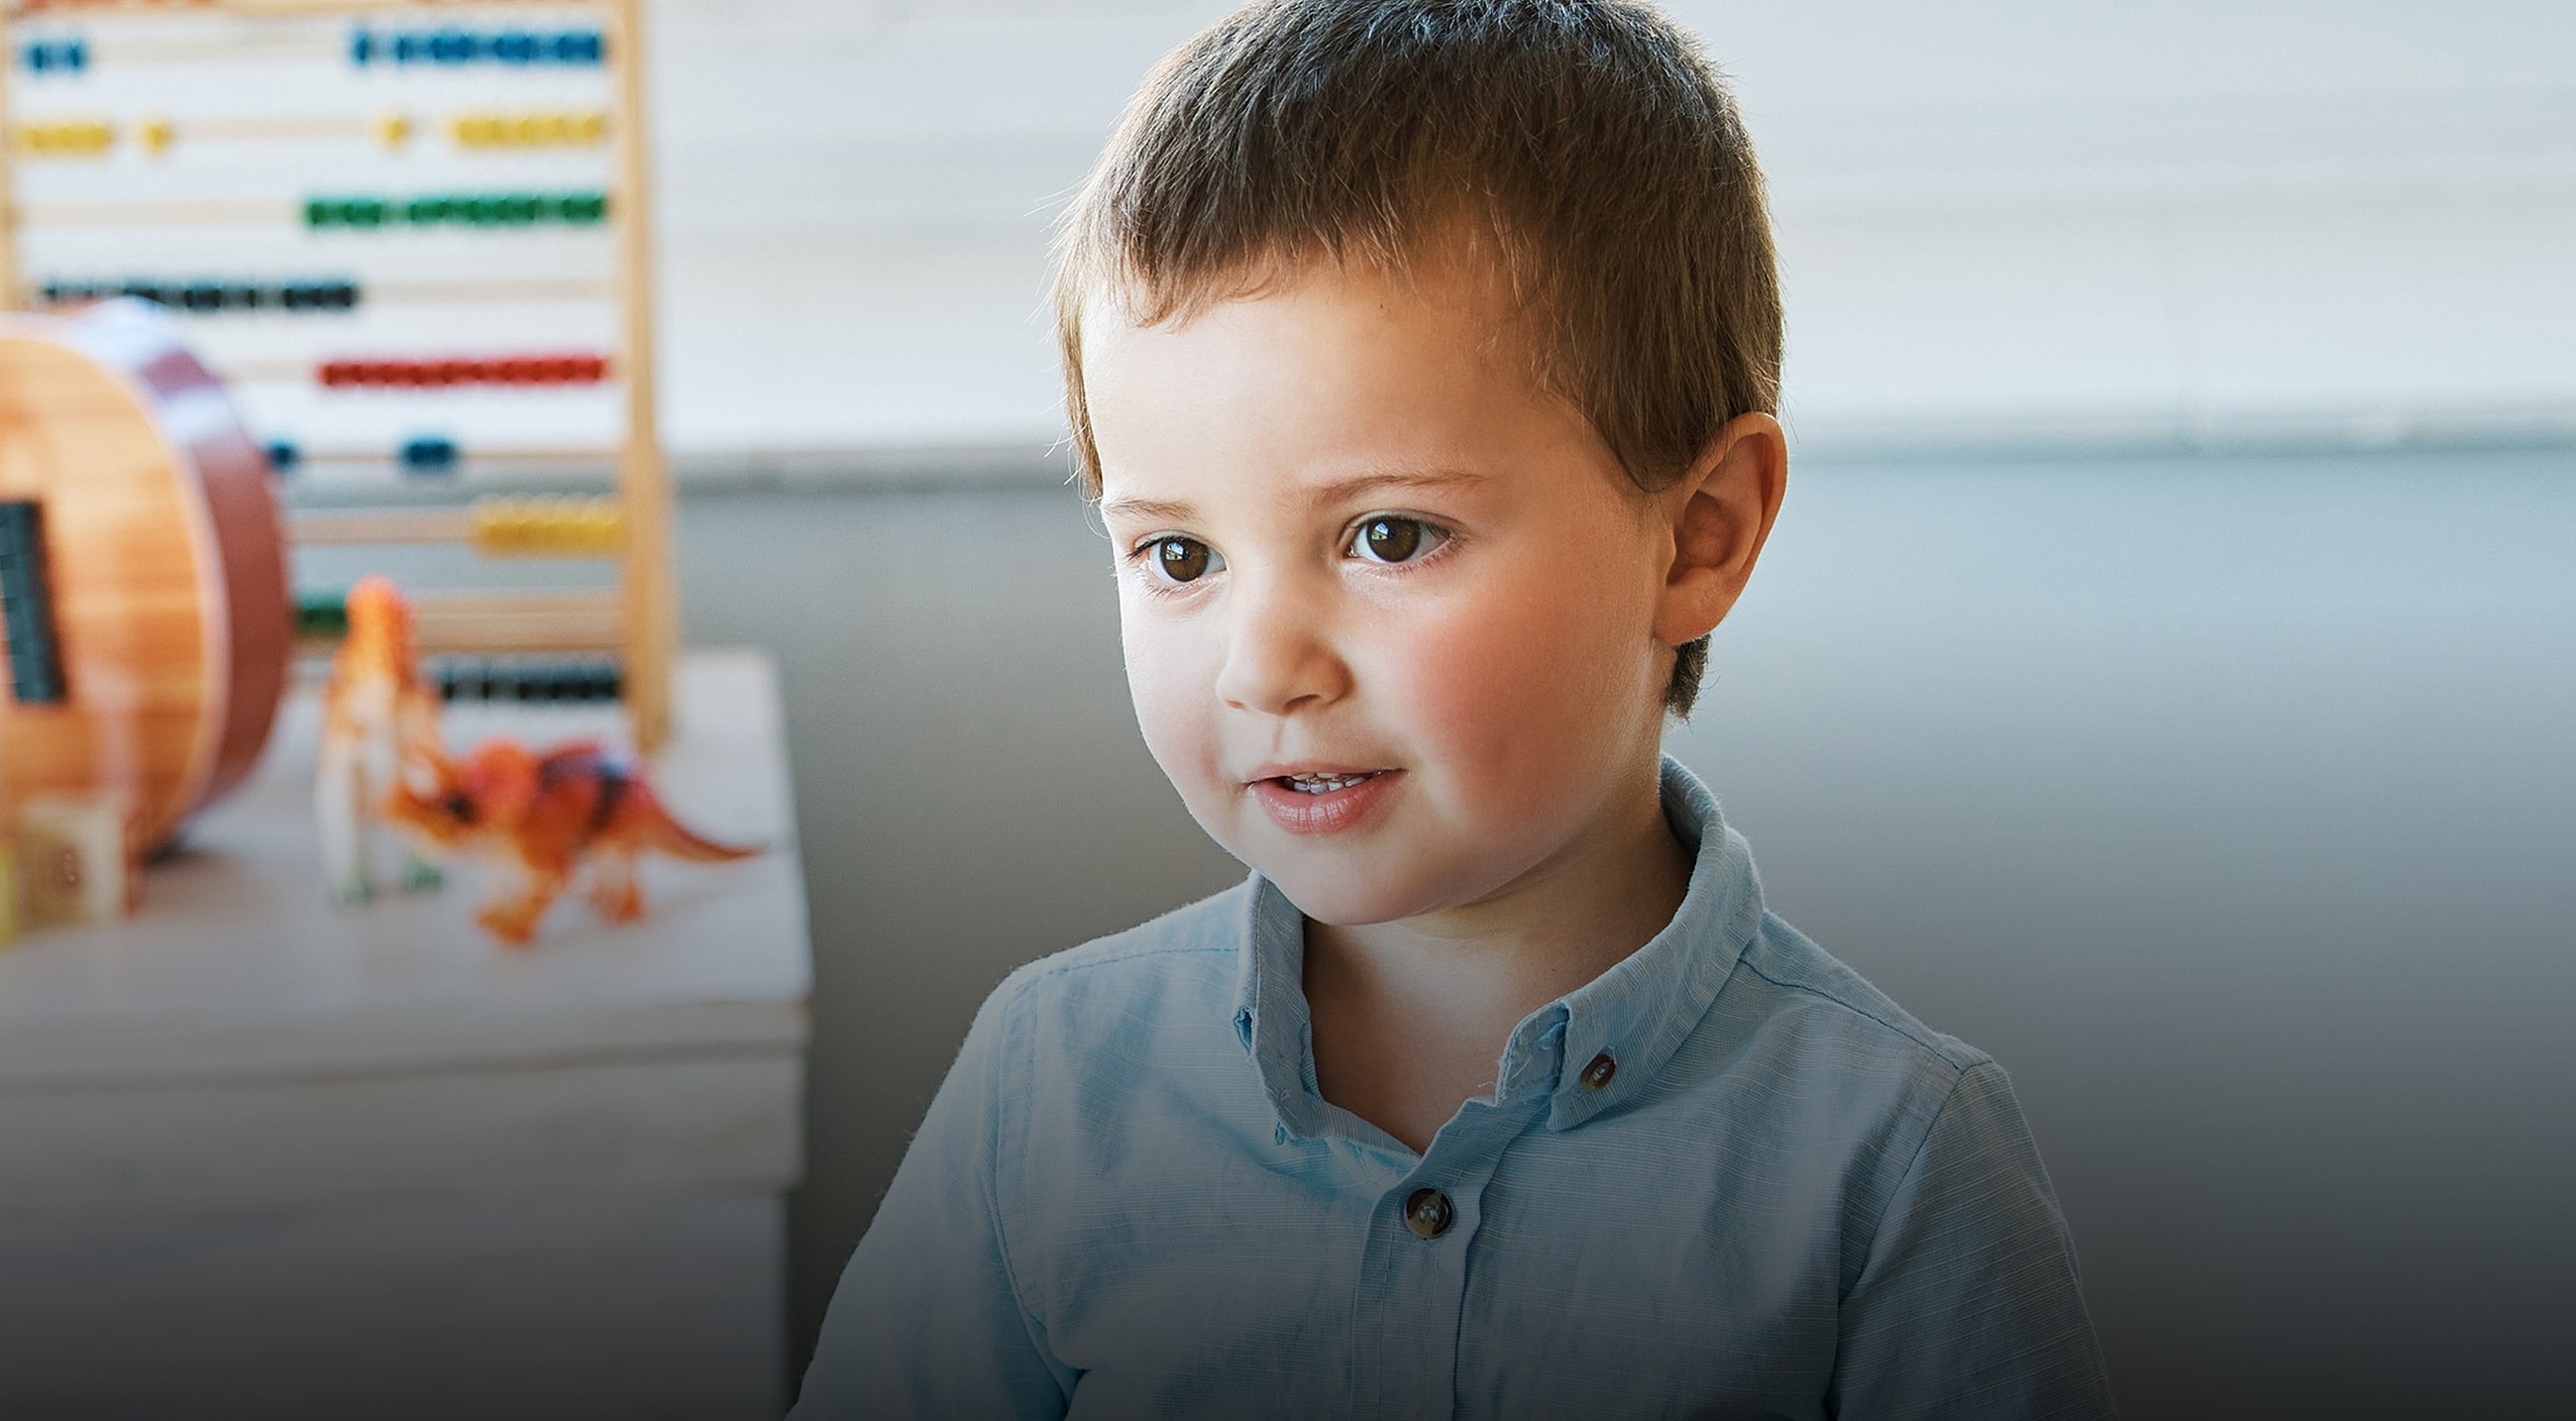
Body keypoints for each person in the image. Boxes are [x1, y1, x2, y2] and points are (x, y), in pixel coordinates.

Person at [793, 2, 2113, 1415]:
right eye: (1179, 557)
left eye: (1390, 537)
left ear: (1697, 536)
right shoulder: (1047, 1090)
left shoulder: (1895, 1163)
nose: (1264, 668)